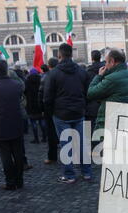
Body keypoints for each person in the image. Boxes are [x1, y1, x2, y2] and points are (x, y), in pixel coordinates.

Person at [44, 43, 92, 184]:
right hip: (78, 112)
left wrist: (51, 111)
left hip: (61, 114)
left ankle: (70, 175)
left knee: (66, 145)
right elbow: (87, 92)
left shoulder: (53, 73)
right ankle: (87, 173)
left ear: (59, 55)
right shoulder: (82, 71)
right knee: (82, 143)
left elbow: (47, 97)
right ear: (72, 54)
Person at [0, 59, 24, 190]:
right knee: (18, 153)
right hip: (16, 122)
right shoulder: (16, 85)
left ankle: (10, 182)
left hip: (0, 124)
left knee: (5, 155)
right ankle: (19, 180)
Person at [87, 49, 128, 131]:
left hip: (109, 121)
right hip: (124, 119)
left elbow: (91, 93)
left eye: (106, 62)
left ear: (112, 61)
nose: (105, 65)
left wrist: (99, 76)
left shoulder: (112, 79)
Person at [41, 58, 59, 165]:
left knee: (51, 134)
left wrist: (43, 109)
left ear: (49, 66)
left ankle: (52, 157)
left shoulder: (47, 77)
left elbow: (43, 95)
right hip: (62, 108)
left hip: (51, 109)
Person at [86, 50, 105, 134]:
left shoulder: (87, 72)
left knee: (92, 131)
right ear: (100, 57)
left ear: (92, 58)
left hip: (91, 105)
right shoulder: (106, 69)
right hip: (104, 102)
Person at [25, 68, 45, 144]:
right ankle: (44, 137)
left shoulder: (27, 81)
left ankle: (36, 139)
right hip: (40, 103)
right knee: (42, 121)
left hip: (31, 104)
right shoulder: (41, 80)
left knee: (33, 122)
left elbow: (25, 91)